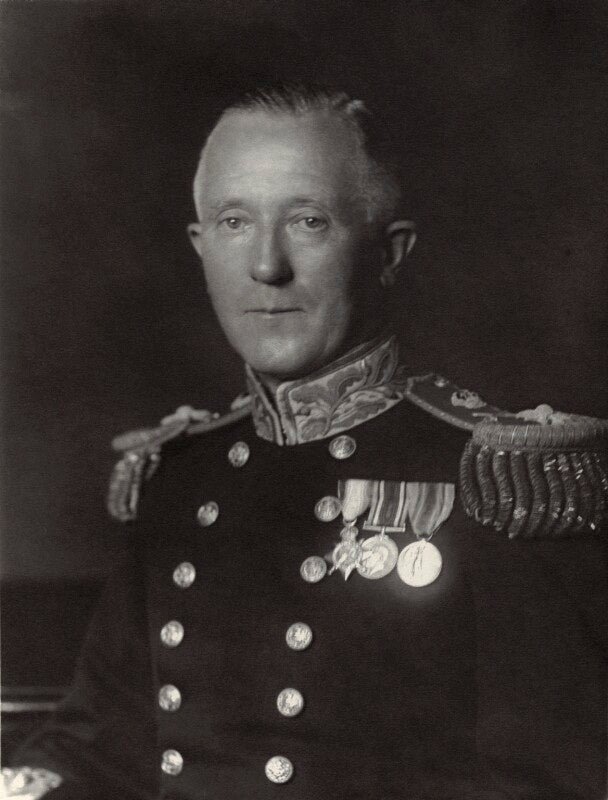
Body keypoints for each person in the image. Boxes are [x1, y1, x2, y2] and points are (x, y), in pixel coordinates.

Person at [3, 84, 607, 800]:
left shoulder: (500, 476)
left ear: (389, 252)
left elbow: (556, 782)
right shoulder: (177, 476)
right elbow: (98, 745)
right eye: (234, 222)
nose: (266, 265)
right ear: (200, 246)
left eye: (309, 221)